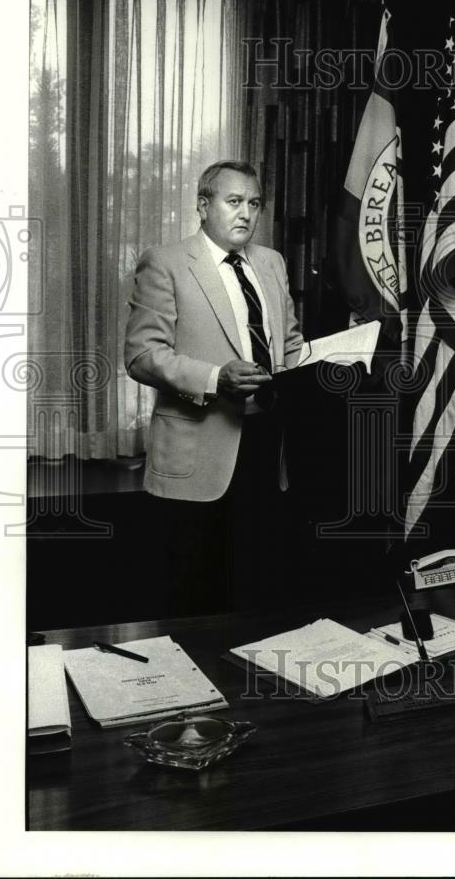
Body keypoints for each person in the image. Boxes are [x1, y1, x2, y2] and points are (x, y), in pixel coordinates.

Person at [124, 160, 304, 614]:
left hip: (267, 447)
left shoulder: (272, 263)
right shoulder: (165, 262)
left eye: (254, 203)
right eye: (234, 201)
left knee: (259, 584)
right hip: (197, 453)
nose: (246, 213)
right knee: (193, 593)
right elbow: (142, 356)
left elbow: (291, 345)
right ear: (204, 206)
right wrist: (214, 378)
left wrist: (338, 357)